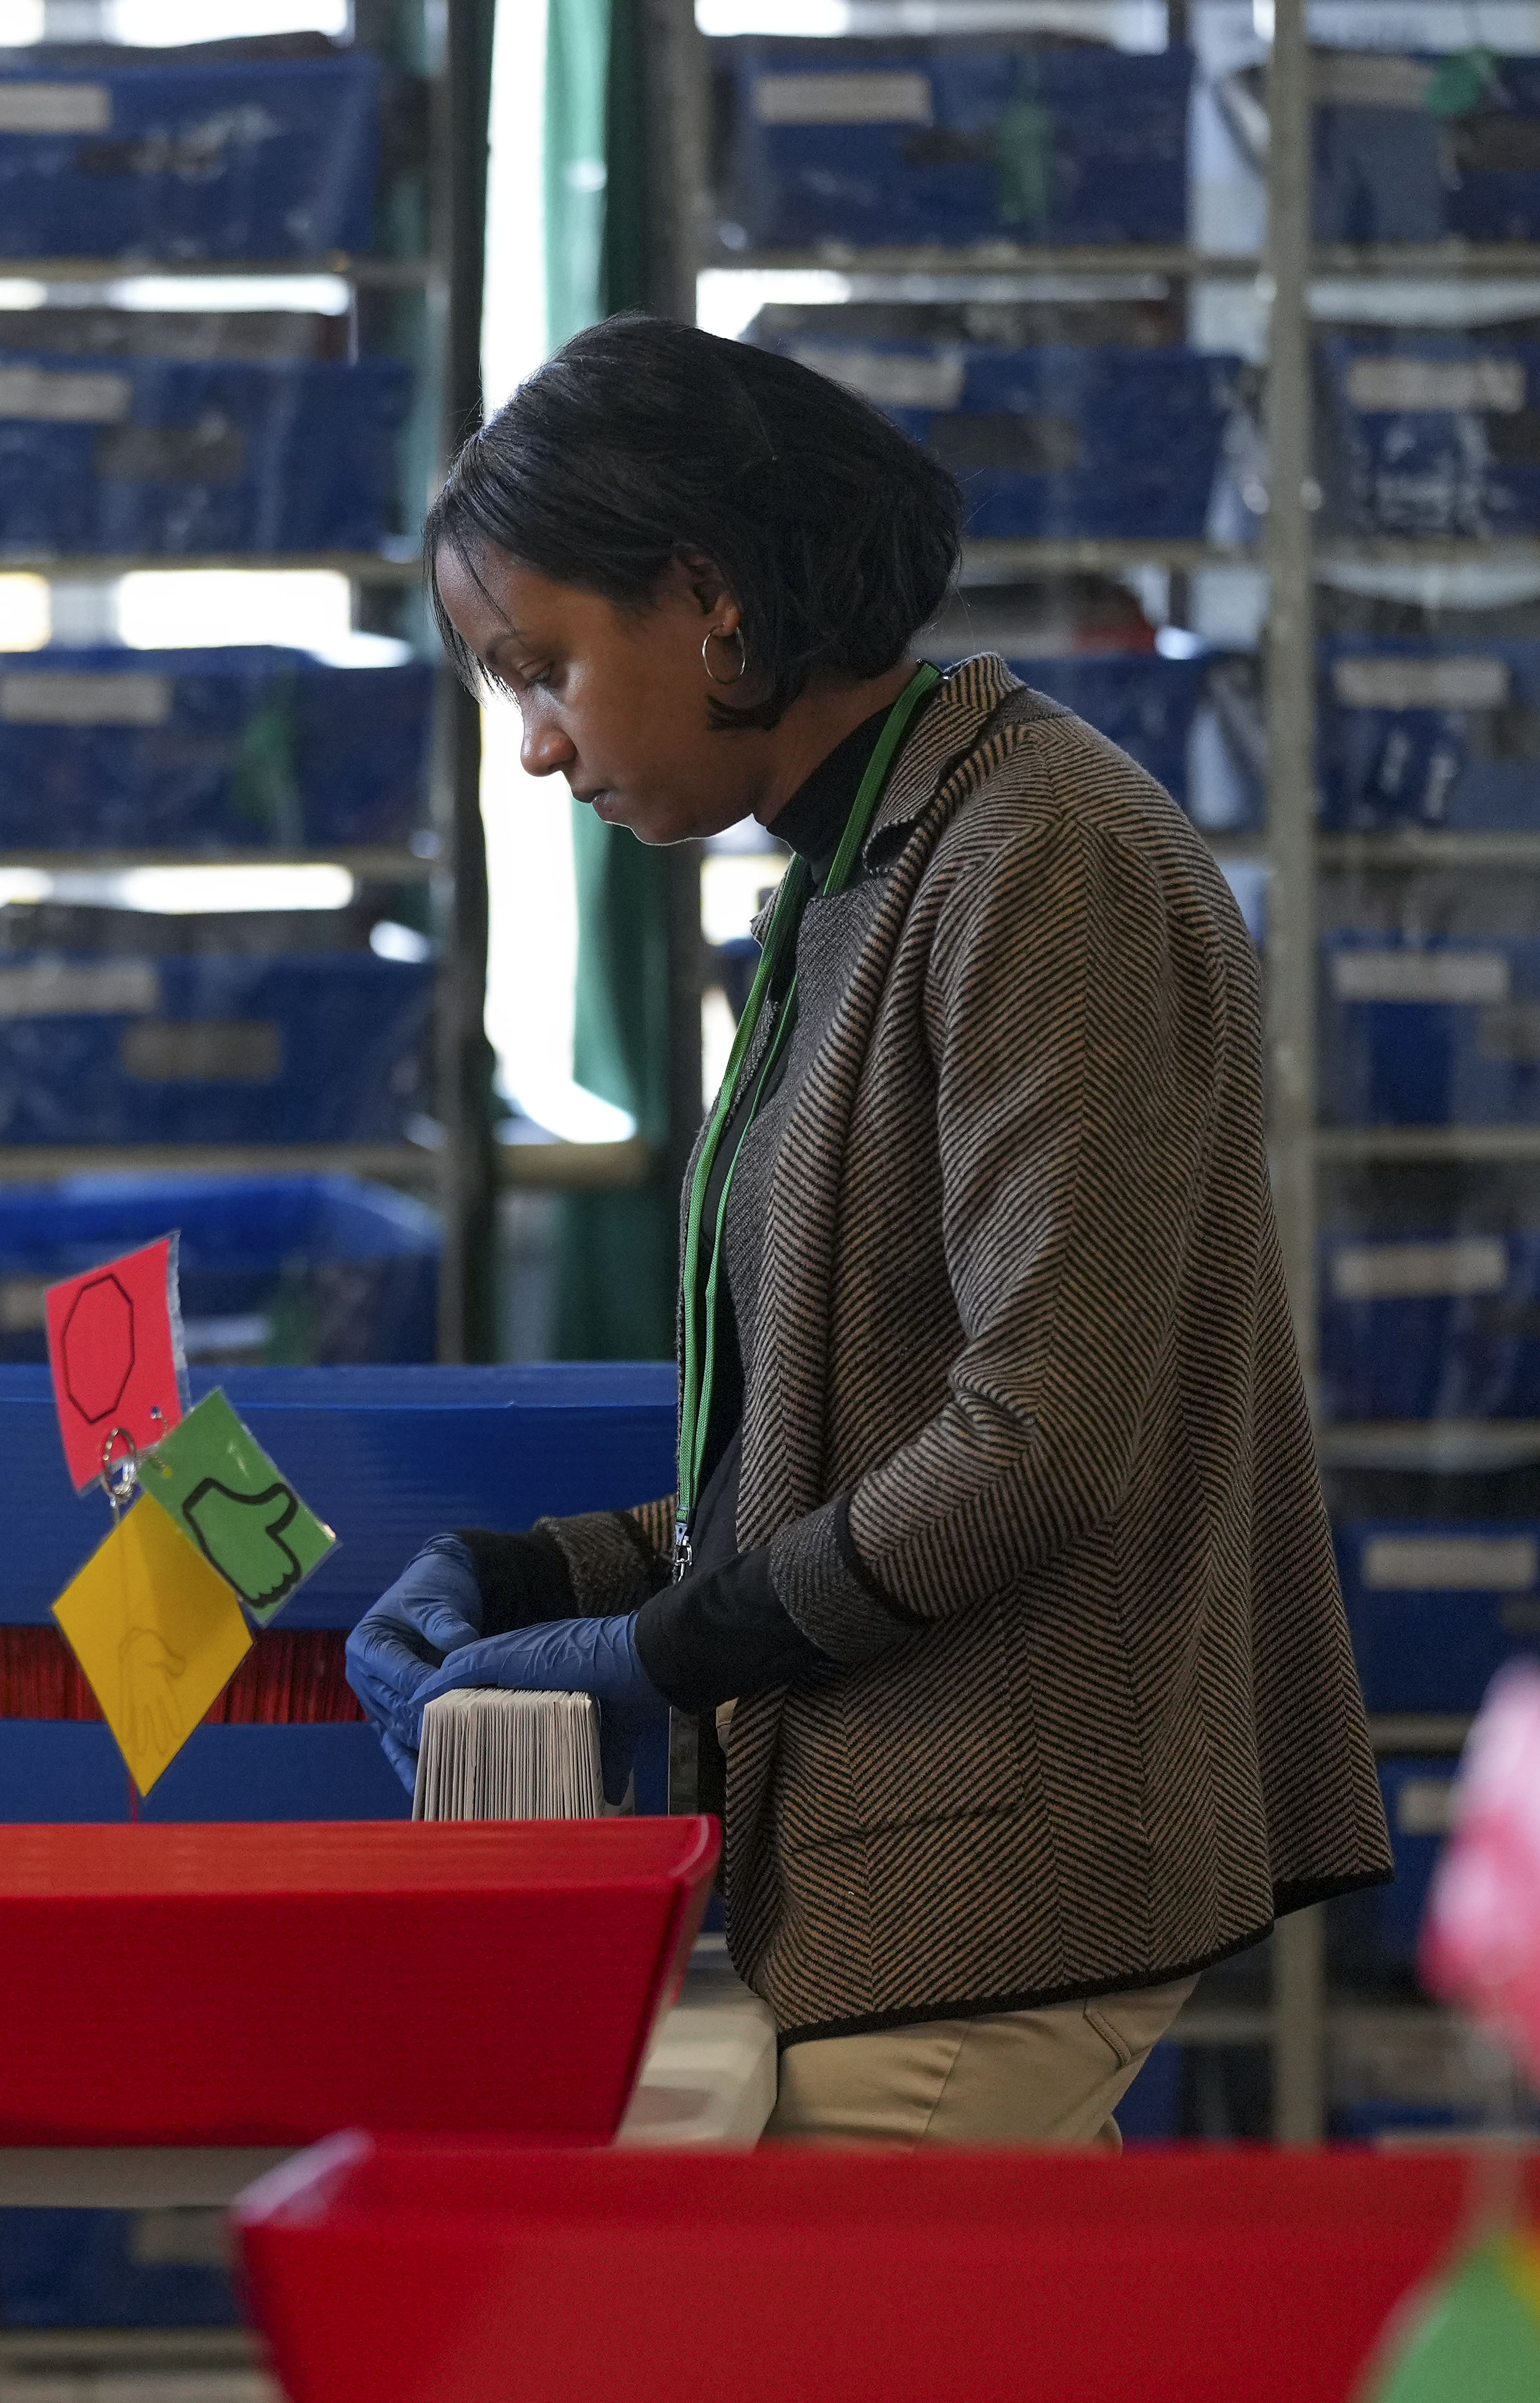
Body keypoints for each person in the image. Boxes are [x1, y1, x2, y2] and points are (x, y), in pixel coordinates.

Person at [353, 315, 1391, 2145]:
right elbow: (860, 1424)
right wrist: (554, 1578)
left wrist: (668, 1655)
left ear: (709, 602)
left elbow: (1036, 1441)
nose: (533, 748)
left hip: (997, 1875)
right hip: (911, 1874)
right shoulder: (870, 873)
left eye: (545, 669)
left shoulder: (1034, 852)